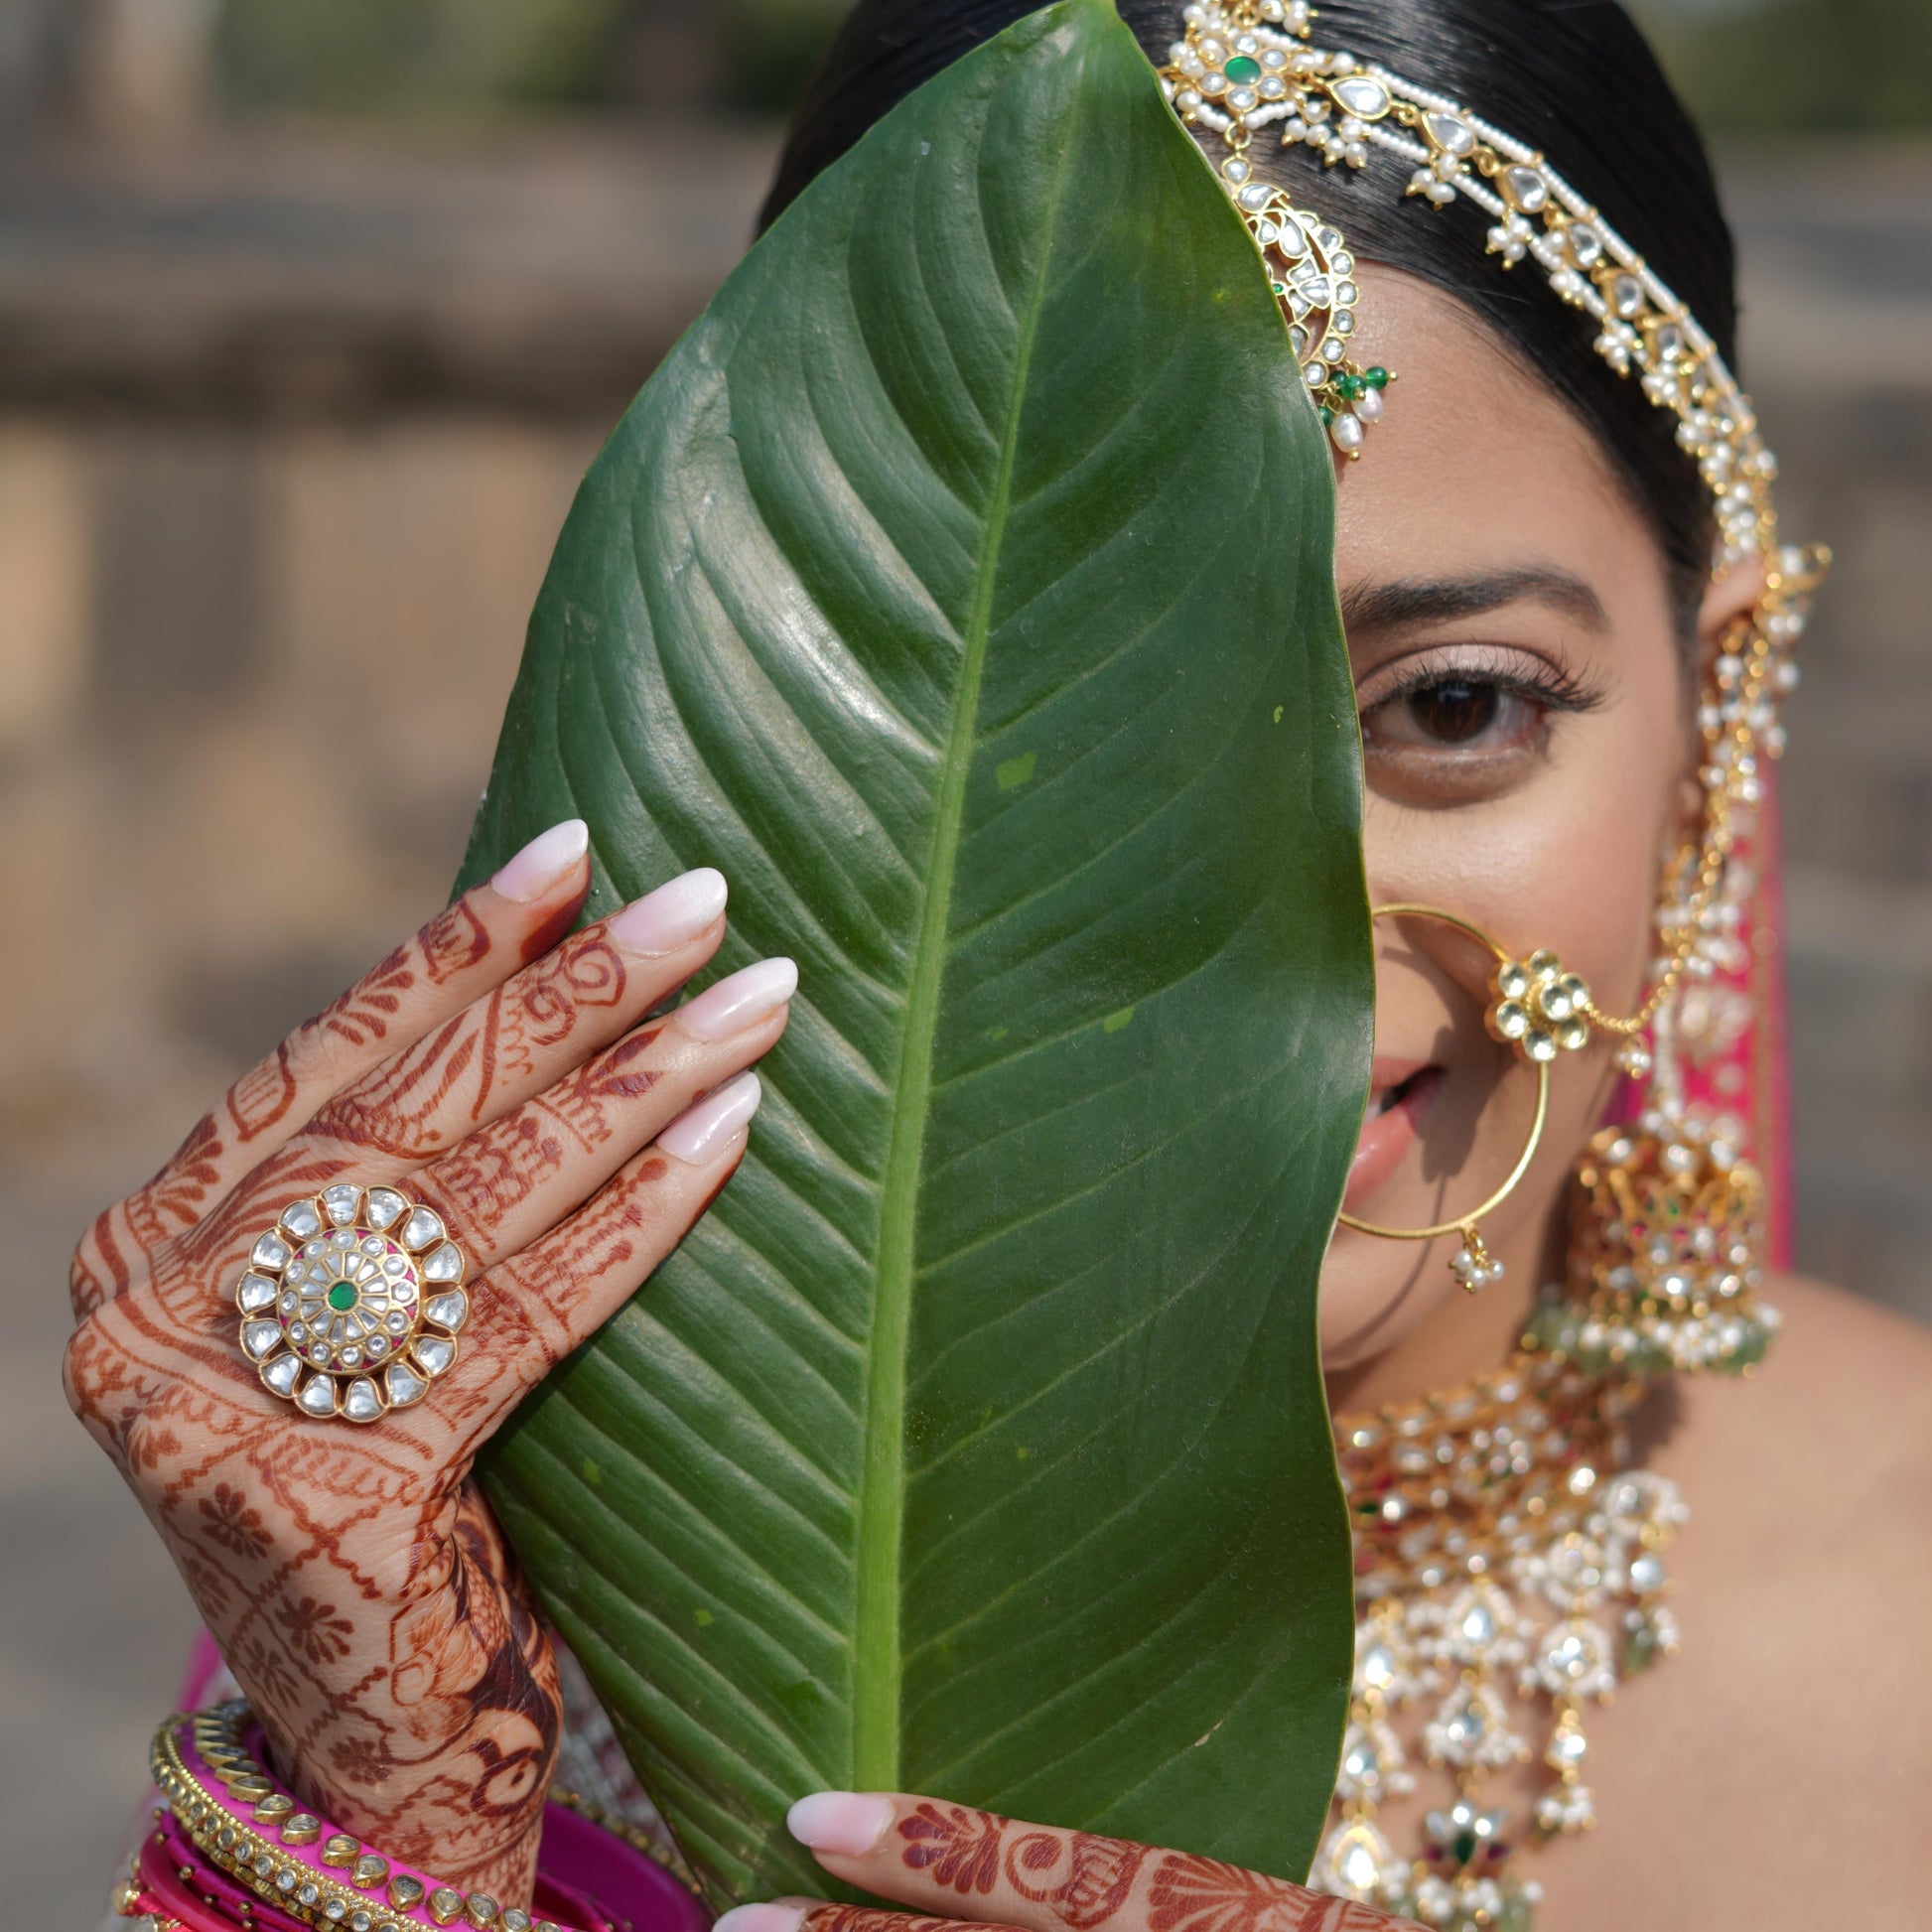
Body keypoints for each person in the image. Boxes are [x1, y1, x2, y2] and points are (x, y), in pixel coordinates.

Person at [67, 2, 1931, 1931]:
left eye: (1450, 703)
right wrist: (380, 1842)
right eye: (1061, 746)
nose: (1222, 943)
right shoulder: (443, 1596)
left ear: (1716, 714)